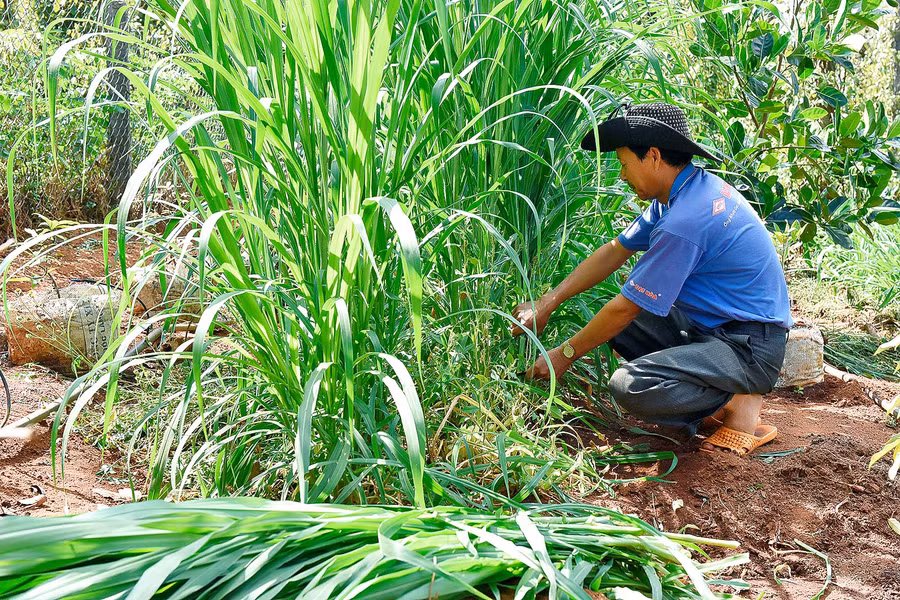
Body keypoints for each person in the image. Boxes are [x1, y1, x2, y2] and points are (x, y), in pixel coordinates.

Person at [511, 102, 792, 456]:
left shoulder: (685, 221)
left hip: (750, 346)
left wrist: (564, 355)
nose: (623, 176)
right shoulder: (681, 194)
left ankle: (735, 401)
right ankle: (724, 392)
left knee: (629, 386)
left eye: (625, 164)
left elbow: (624, 308)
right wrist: (550, 300)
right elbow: (616, 249)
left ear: (654, 156)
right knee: (620, 325)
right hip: (719, 328)